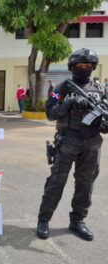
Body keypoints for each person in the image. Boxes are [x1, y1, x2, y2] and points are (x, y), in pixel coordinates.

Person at [36, 48, 107, 241]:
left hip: (92, 142)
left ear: (93, 67)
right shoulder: (62, 89)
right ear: (72, 67)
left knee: (86, 184)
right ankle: (43, 220)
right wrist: (68, 103)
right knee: (56, 182)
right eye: (79, 65)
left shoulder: (101, 90)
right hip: (68, 140)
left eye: (88, 66)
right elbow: (50, 112)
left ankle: (78, 221)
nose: (84, 69)